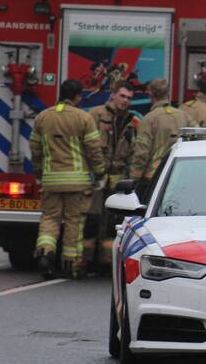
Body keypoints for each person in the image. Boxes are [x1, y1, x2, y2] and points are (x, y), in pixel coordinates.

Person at [30, 79, 106, 278]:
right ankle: (70, 264)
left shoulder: (43, 117)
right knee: (74, 221)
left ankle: (45, 252)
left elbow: (35, 149)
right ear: (78, 97)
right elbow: (93, 150)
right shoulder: (84, 118)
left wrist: (39, 172)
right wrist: (99, 172)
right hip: (77, 182)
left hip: (51, 180)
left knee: (50, 218)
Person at [83, 81, 139, 273]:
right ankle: (85, 261)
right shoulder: (95, 115)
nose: (125, 101)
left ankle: (106, 263)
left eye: (129, 98)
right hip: (96, 176)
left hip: (117, 178)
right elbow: (86, 145)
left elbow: (133, 152)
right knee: (91, 220)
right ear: (113, 95)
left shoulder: (131, 121)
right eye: (122, 96)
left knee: (111, 224)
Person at [130, 78, 192, 198]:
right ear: (167, 92)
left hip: (153, 179)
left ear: (150, 93)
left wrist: (134, 179)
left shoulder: (148, 119)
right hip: (177, 175)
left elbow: (141, 153)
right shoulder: (184, 116)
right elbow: (199, 136)